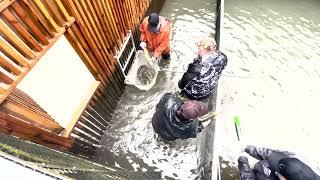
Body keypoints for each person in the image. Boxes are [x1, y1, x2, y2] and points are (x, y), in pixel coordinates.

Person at [238, 145, 320, 180]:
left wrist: (244, 168)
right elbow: (271, 155)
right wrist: (249, 148)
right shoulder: (299, 163)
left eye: (280, 173)